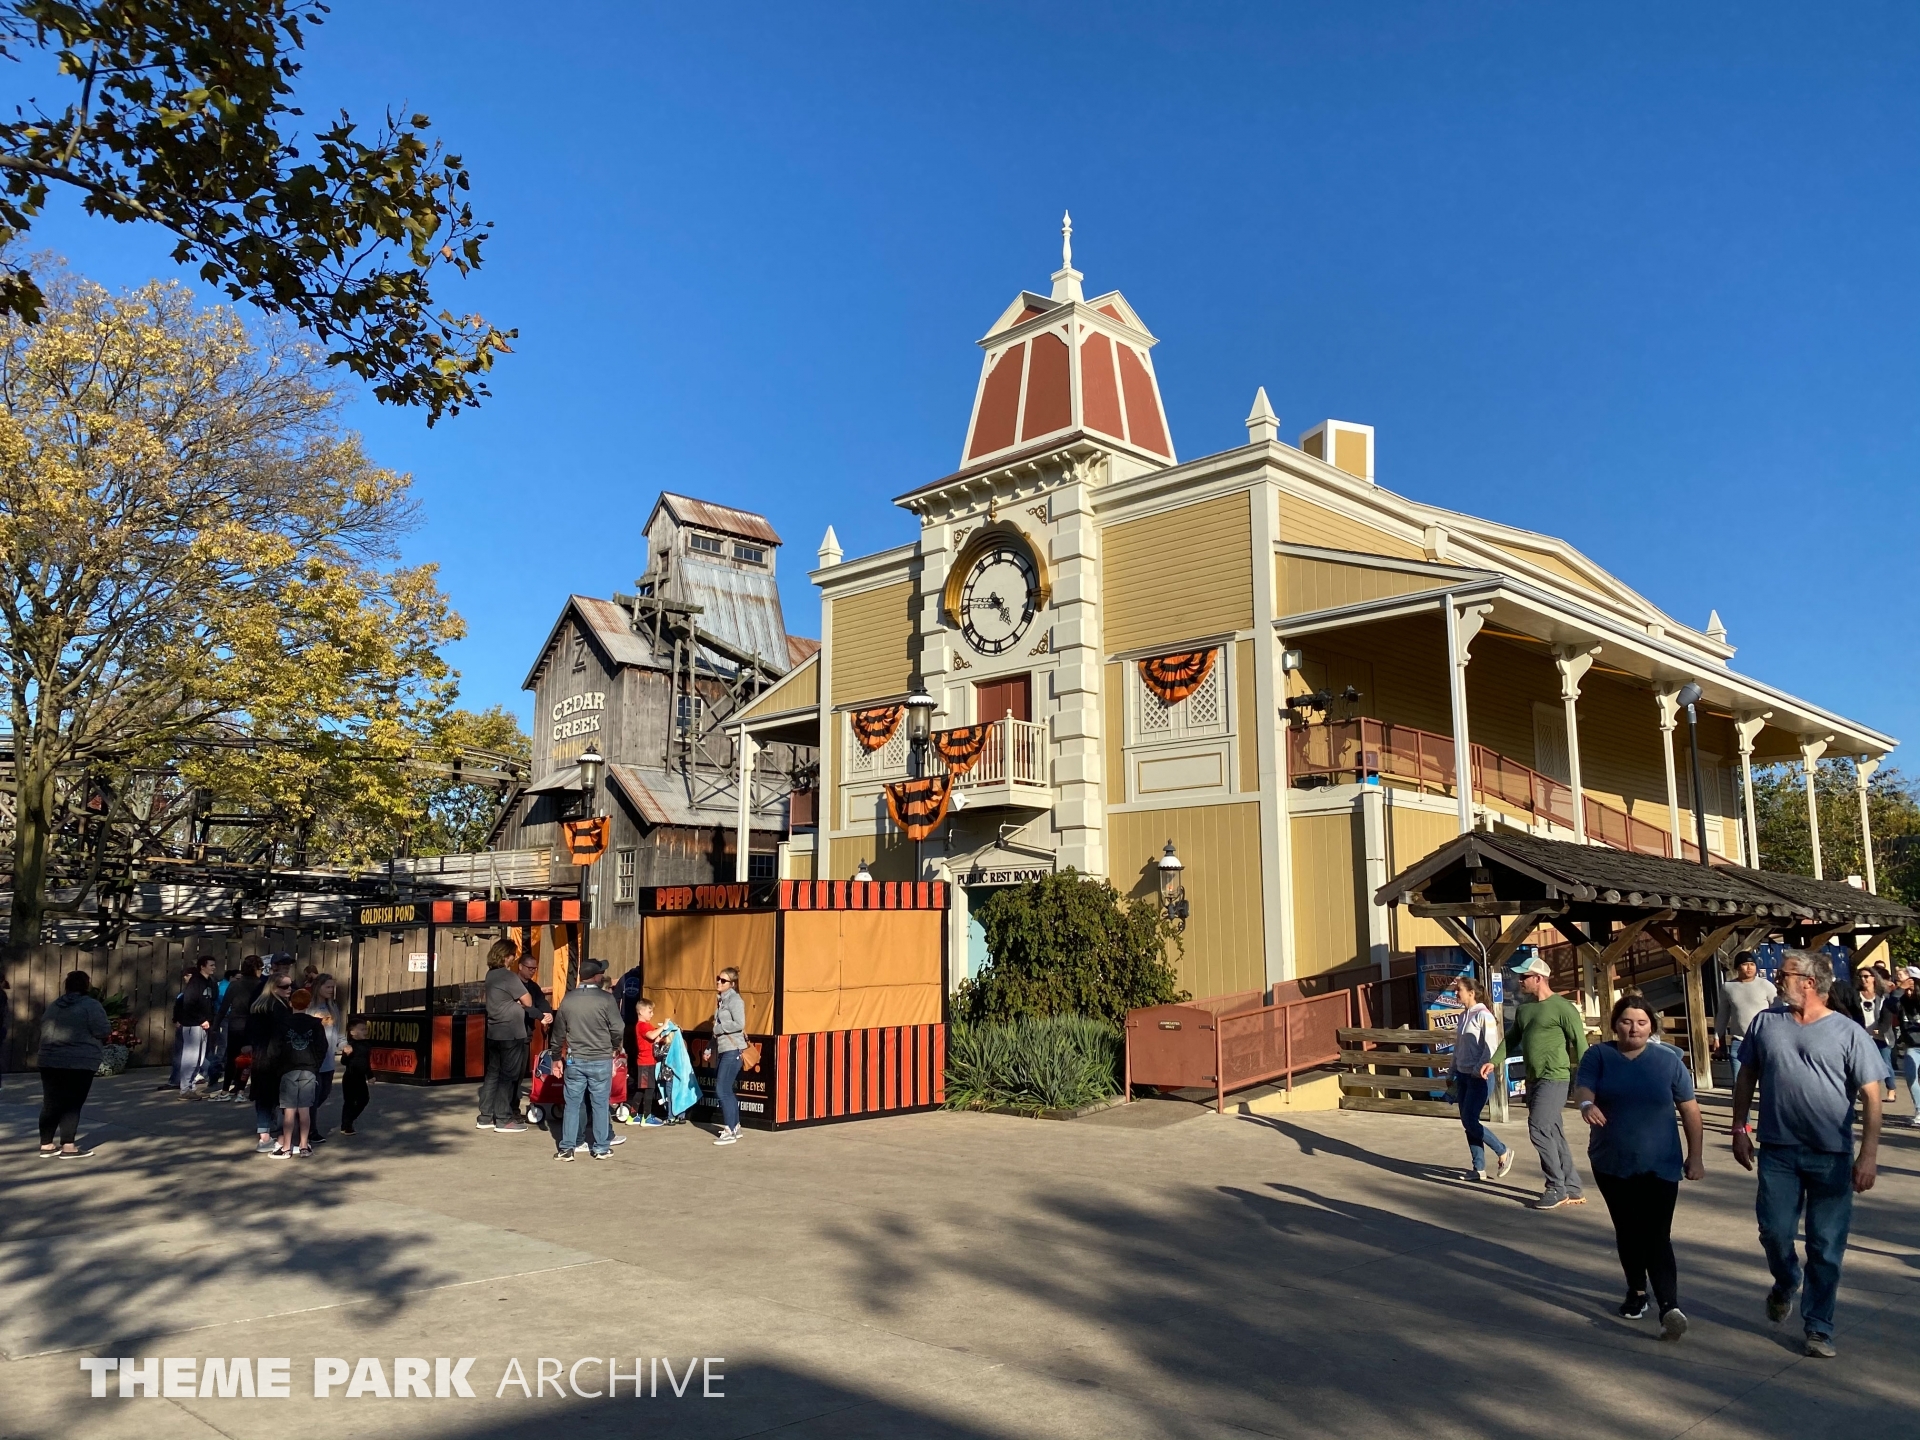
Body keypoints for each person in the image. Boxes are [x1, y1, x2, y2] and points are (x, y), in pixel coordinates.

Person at [1732, 947, 1886, 1358]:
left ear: (1809, 983)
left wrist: (1868, 1155)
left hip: (1831, 1155)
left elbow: (1872, 1097)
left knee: (1825, 1246)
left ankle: (1818, 1326)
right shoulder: (1766, 1023)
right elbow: (1747, 1075)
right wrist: (1739, 1127)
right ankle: (1786, 1281)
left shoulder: (1848, 1032)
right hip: (1778, 1151)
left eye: (1783, 974)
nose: (1776, 978)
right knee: (1774, 1232)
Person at [1575, 994, 1704, 1341]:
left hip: (1661, 1163)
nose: (1634, 1028)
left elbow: (1690, 1110)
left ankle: (1670, 1308)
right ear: (1615, 1024)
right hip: (1612, 1162)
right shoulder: (1599, 1056)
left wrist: (1695, 1156)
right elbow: (1583, 1088)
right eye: (1627, 1021)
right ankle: (1637, 1290)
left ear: (1652, 1027)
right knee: (1628, 1230)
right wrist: (1587, 1105)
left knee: (1657, 1234)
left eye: (1642, 1022)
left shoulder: (1669, 1062)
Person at [1506, 954, 1588, 1209]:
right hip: (1533, 1079)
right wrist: (1492, 1061)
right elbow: (1511, 1039)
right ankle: (1572, 1187)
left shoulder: (1563, 1008)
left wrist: (1589, 1082)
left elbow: (1581, 1044)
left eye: (1524, 976)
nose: (1520, 981)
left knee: (1538, 1127)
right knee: (1552, 1131)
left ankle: (1556, 1188)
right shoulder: (1524, 1009)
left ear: (1539, 978)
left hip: (1556, 1077)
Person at [550, 959, 625, 1161]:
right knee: (600, 1104)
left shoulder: (568, 999)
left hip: (575, 1058)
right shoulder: (606, 999)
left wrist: (556, 1057)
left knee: (572, 1104)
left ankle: (567, 1147)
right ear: (596, 976)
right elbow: (618, 1028)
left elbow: (558, 1032)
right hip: (600, 1057)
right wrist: (614, 1047)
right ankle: (601, 1148)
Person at [37, 970, 110, 1158]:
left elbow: (43, 1027)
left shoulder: (54, 1006)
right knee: (72, 1103)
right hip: (79, 1060)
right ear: (86, 985)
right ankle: (68, 1146)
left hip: (49, 1059)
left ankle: (46, 1144)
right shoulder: (91, 1005)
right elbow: (102, 1030)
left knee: (51, 1102)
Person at [1448, 974, 1512, 1181]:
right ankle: (1478, 1168)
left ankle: (1503, 1150)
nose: (1456, 994)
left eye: (1458, 990)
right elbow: (1458, 1047)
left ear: (1471, 993)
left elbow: (1490, 1047)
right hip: (1462, 1076)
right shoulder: (1462, 1016)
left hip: (1479, 1077)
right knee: (1468, 1121)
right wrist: (1452, 1070)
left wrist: (1477, 1069)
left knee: (1470, 1120)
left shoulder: (1484, 1015)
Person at [478, 938, 532, 1134]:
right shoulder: (508, 976)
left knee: (493, 1073)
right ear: (505, 956)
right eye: (512, 955)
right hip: (511, 1032)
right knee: (508, 1076)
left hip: (495, 1031)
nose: (513, 958)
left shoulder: (490, 974)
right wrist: (517, 1003)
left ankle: (485, 1116)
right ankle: (503, 1118)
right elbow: (527, 1000)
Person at [246, 969, 295, 1153]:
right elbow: (281, 1035)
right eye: (284, 986)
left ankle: (264, 1134)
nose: (289, 989)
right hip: (274, 1057)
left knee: (263, 1097)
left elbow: (250, 1031)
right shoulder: (278, 1008)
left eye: (290, 985)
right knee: (280, 1097)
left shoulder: (258, 1006)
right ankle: (282, 1136)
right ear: (274, 988)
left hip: (260, 1055)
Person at [275, 988, 327, 1157]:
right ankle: (304, 1146)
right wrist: (315, 1065)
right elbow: (322, 1047)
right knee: (305, 1110)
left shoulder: (282, 1023)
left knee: (289, 1111)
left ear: (291, 1003)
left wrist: (278, 1066)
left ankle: (286, 1147)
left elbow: (275, 1047)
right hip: (309, 1069)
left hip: (288, 1069)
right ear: (308, 1004)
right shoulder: (316, 1024)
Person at [213, 956, 264, 1102]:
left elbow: (223, 1008)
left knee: (232, 1058)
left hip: (235, 1024)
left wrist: (215, 1026)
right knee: (248, 1059)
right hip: (253, 1026)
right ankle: (241, 1089)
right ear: (256, 969)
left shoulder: (235, 985)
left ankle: (225, 1090)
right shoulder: (261, 985)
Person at [1719, 952, 1775, 1071]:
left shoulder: (1766, 985)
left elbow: (1778, 1010)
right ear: (1737, 967)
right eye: (1745, 964)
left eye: (1752, 964)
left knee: (1764, 1078)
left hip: (1762, 1039)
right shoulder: (1728, 987)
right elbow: (1723, 1014)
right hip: (1739, 1041)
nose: (1749, 967)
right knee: (1738, 1080)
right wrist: (1717, 1035)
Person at [711, 965, 748, 1145]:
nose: (719, 982)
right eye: (718, 978)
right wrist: (710, 1047)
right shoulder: (722, 1000)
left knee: (722, 1090)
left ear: (732, 984)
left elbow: (740, 1023)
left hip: (733, 1050)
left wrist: (719, 1028)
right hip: (724, 1048)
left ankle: (730, 1130)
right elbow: (716, 1028)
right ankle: (735, 1126)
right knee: (726, 1090)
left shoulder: (735, 1000)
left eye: (723, 980)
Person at [305, 974, 342, 1141]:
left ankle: (299, 1115)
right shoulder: (309, 1007)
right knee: (313, 1096)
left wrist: (343, 1044)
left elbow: (337, 1031)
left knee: (324, 1093)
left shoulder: (332, 1007)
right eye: (328, 987)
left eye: (333, 987)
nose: (331, 990)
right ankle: (310, 1131)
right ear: (318, 987)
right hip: (312, 1060)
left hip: (328, 1059)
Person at [1856, 967, 1896, 1105]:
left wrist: (1880, 1029)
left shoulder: (1883, 996)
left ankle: (1891, 1090)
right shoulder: (1856, 995)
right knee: (1865, 1066)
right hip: (1863, 1036)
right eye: (1860, 976)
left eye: (1866, 976)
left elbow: (1887, 1016)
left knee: (1885, 1064)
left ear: (1873, 978)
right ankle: (1867, 1092)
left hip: (1881, 1036)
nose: (1863, 979)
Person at [1892, 969, 1920, 1129]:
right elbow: (1889, 1006)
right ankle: (1919, 1110)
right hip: (1912, 1046)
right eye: (1906, 989)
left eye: (1911, 989)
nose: (1909, 993)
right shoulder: (1901, 1001)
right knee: (1910, 1076)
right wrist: (1900, 989)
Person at [632, 997, 665, 1127]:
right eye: (649, 1011)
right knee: (649, 1090)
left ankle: (632, 1116)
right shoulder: (641, 1025)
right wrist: (664, 1026)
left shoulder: (647, 1025)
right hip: (646, 1063)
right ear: (641, 1012)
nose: (652, 1014)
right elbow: (651, 1035)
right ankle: (646, 1117)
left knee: (641, 1089)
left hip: (647, 1062)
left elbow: (655, 1036)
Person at [338, 1018, 373, 1135]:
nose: (365, 1031)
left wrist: (370, 1076)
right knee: (349, 1102)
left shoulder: (366, 1045)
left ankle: (349, 1120)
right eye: (362, 1029)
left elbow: (367, 1063)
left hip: (361, 1078)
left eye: (365, 1029)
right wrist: (347, 1054)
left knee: (364, 1099)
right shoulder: (349, 1046)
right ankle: (346, 1126)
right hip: (350, 1077)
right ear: (352, 1032)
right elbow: (343, 1062)